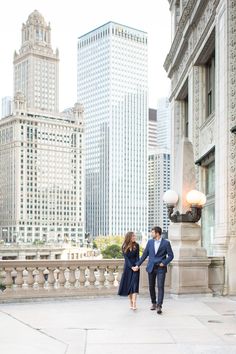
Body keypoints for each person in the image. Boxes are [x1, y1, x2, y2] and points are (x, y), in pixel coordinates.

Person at [134, 226, 174, 314]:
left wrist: (164, 262)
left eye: (152, 232)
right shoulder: (150, 242)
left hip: (161, 268)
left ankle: (159, 305)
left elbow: (171, 256)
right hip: (151, 267)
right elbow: (144, 255)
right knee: (151, 286)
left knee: (160, 287)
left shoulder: (166, 243)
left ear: (157, 233)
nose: (151, 234)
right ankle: (154, 303)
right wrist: (137, 265)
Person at [118, 231, 140, 310]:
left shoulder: (137, 245)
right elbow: (126, 259)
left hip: (136, 268)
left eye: (135, 236)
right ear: (129, 237)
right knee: (129, 286)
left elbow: (138, 257)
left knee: (134, 286)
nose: (134, 237)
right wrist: (131, 267)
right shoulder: (124, 246)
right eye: (133, 236)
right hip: (128, 268)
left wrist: (137, 265)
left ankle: (134, 303)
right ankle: (131, 301)